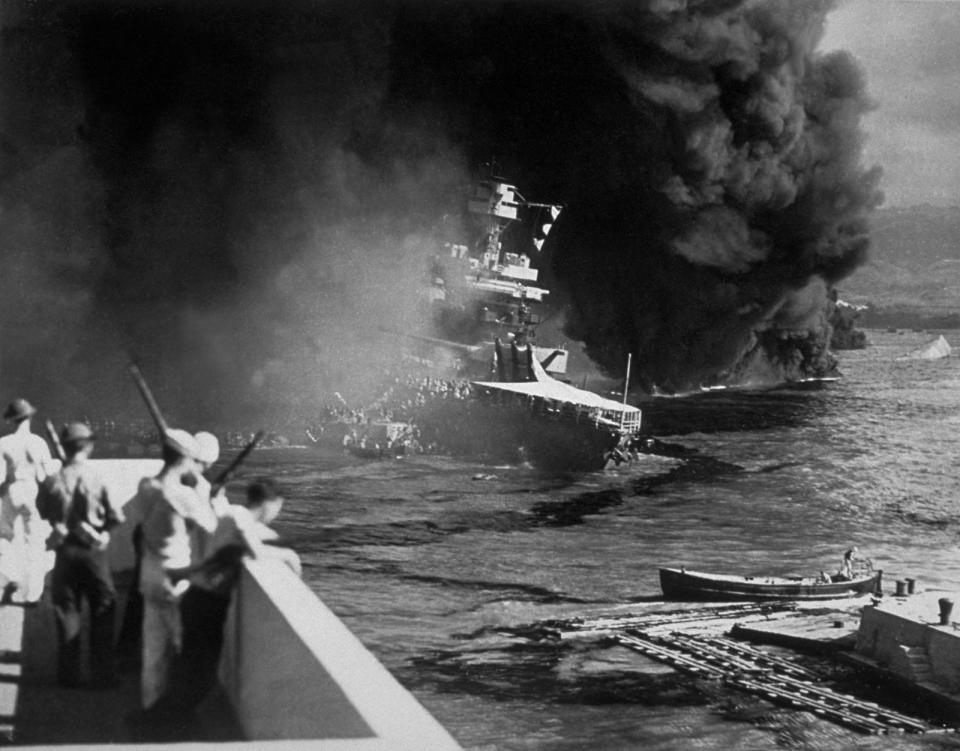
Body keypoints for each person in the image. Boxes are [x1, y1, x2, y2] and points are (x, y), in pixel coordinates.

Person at [147, 478, 300, 722]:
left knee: (192, 668)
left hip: (200, 600)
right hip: (206, 604)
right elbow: (257, 552)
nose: (277, 514)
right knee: (201, 674)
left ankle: (162, 719)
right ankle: (162, 723)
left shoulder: (233, 515)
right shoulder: (240, 518)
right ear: (269, 503)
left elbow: (250, 538)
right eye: (278, 507)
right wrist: (290, 555)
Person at [126, 428, 217, 711]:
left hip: (149, 571)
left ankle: (151, 705)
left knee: (153, 647)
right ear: (185, 459)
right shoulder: (183, 495)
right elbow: (213, 526)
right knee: (181, 643)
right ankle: (178, 710)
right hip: (174, 576)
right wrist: (204, 491)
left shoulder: (146, 486)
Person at [36, 422, 124, 687]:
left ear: (63, 447)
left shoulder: (52, 480)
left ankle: (68, 676)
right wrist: (104, 533)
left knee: (67, 611)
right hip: (92, 553)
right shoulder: (98, 478)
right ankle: (102, 675)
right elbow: (117, 516)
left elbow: (44, 512)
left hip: (65, 552)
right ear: (89, 446)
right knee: (103, 609)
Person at [0, 398, 53, 605]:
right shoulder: (38, 442)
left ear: (11, 420)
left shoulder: (4, 443)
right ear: (29, 417)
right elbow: (45, 475)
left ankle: (11, 576)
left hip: (11, 490)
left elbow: (1, 477)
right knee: (35, 542)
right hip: (31, 492)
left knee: (4, 536)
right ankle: (33, 594)